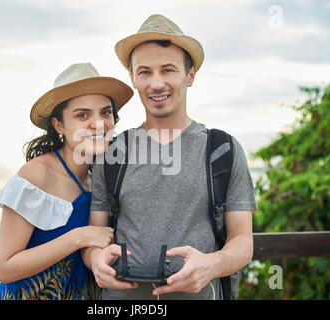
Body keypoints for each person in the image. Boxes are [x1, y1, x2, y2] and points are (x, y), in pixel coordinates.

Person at [82, 14, 258, 300]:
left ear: (190, 74)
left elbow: (242, 241)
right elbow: (94, 236)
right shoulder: (112, 152)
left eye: (168, 70)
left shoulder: (222, 149)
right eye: (144, 72)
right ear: (133, 78)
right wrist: (94, 260)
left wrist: (211, 265)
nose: (156, 84)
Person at [0, 62, 133, 300]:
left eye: (106, 112)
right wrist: (79, 237)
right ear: (59, 125)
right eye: (83, 114)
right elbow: (5, 268)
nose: (98, 122)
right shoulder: (36, 176)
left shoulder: (103, 175)